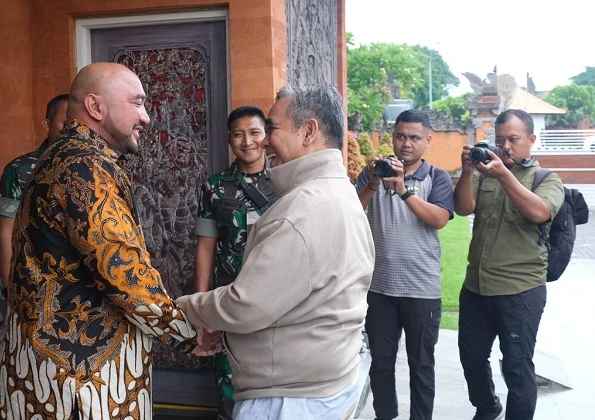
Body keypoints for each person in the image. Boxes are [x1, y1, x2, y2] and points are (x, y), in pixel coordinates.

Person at [0, 63, 217, 419]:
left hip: (49, 372)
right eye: (137, 103)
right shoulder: (84, 169)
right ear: (96, 108)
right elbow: (123, 273)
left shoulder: (60, 158)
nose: (146, 117)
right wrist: (187, 331)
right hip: (82, 382)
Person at [177, 84, 375, 420]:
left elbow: (247, 305)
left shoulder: (302, 208)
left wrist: (186, 308)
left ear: (308, 131)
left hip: (291, 399)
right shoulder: (337, 190)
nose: (264, 142)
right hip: (324, 383)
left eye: (271, 128)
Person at [454, 109, 564, 420]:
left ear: (531, 140)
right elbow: (463, 209)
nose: (506, 146)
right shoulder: (483, 174)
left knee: (516, 367)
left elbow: (540, 212)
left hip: (520, 291)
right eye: (500, 139)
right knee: (471, 357)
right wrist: (466, 171)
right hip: (476, 286)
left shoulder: (547, 179)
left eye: (513, 140)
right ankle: (487, 408)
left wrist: (504, 175)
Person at [355, 109, 454, 420]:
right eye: (400, 136)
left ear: (427, 140)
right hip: (379, 288)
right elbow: (352, 214)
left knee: (421, 364)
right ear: (392, 137)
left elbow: (439, 219)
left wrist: (403, 190)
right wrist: (373, 183)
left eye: (414, 137)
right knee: (381, 362)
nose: (406, 143)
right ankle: (385, 415)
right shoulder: (374, 173)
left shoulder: (437, 177)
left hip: (421, 290)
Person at [193, 105, 277, 420]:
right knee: (229, 383)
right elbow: (205, 247)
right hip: (230, 299)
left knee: (275, 382)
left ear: (266, 136)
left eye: (254, 132)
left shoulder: (285, 181)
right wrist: (202, 305)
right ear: (229, 139)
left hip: (277, 299)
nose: (247, 141)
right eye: (239, 134)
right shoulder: (215, 187)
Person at [0, 93, 69, 289]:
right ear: (47, 125)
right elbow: (6, 234)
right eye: (65, 124)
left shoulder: (93, 168)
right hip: (36, 283)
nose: (72, 132)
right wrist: (9, 290)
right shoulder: (19, 170)